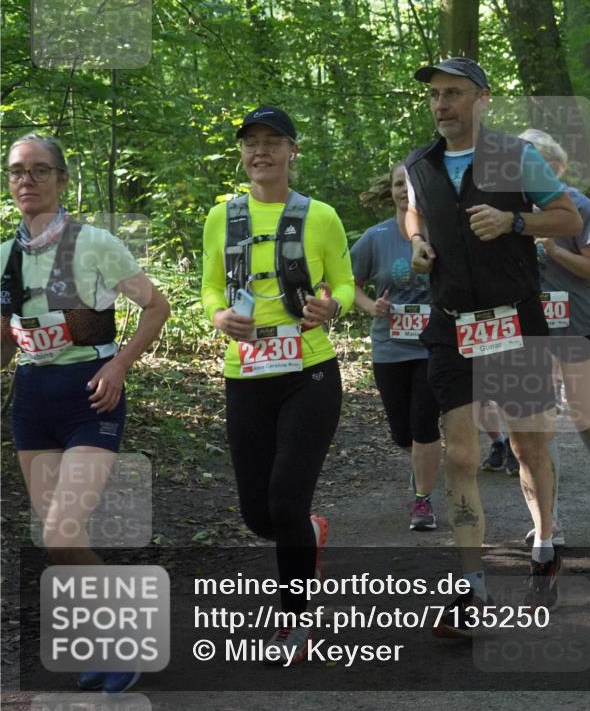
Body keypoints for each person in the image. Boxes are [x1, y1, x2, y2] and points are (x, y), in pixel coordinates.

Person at [404, 57, 581, 635]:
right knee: (460, 454)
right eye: (434, 95)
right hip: (453, 324)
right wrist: (417, 243)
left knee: (529, 445)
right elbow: (414, 214)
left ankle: (545, 540)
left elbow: (565, 215)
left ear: (481, 98)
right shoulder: (419, 164)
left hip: (516, 319)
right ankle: (469, 586)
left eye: (452, 93)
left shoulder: (515, 157)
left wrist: (514, 223)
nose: (440, 104)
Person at [1, 133, 170, 693]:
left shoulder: (93, 242)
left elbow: (155, 305)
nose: (27, 180)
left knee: (60, 534)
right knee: (61, 541)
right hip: (32, 400)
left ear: (62, 179)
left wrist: (119, 366)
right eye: (17, 172)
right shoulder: (5, 255)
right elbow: (8, 339)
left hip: (88, 394)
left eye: (40, 170)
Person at [201, 106, 355, 663]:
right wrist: (220, 317)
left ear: (293, 151)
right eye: (250, 143)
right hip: (245, 374)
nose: (260, 151)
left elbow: (342, 280)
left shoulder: (321, 216)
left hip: (308, 372)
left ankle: (295, 621)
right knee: (258, 516)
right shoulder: (222, 217)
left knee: (286, 500)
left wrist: (330, 305)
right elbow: (210, 289)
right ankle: (309, 534)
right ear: (241, 153)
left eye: (272, 141)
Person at [520, 128, 590, 544]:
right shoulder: (507, 209)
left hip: (578, 322)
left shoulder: (577, 206)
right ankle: (550, 520)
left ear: (549, 166)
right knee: (539, 425)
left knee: (581, 414)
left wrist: (555, 250)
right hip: (527, 328)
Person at [352, 163, 441, 532]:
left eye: (411, 182)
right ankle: (424, 466)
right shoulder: (376, 237)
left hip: (433, 345)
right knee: (402, 433)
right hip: (389, 346)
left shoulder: (442, 232)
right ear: (389, 191)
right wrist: (371, 305)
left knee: (424, 423)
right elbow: (347, 282)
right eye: (397, 184)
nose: (405, 189)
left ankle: (423, 500)